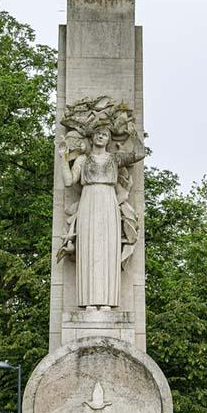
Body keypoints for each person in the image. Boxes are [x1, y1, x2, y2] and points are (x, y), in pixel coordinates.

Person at [61, 127, 143, 309]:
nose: (101, 136)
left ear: (108, 139)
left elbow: (139, 153)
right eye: (98, 133)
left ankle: (107, 302)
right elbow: (68, 181)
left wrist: (134, 134)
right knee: (88, 250)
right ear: (92, 137)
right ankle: (88, 302)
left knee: (107, 252)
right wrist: (63, 158)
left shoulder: (115, 158)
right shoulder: (83, 159)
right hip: (88, 202)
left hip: (108, 202)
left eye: (105, 134)